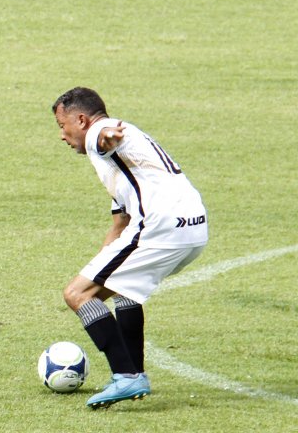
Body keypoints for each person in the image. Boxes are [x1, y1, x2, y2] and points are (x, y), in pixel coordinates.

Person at [51, 87, 207, 409]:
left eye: (62, 126)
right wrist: (98, 266)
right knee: (124, 289)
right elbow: (120, 225)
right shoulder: (124, 166)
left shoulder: (101, 135)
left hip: (161, 226)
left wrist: (105, 134)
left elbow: (103, 136)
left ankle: (126, 375)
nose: (62, 136)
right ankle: (134, 374)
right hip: (193, 228)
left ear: (81, 119)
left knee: (78, 294)